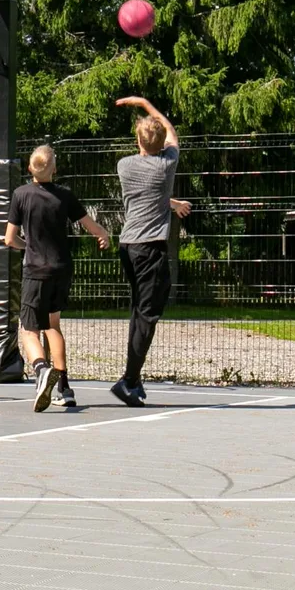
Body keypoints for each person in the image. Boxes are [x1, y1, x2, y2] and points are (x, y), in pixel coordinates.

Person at [5, 145, 111, 411]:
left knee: (29, 330)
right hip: (62, 269)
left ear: (30, 168)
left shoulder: (20, 195)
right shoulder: (65, 195)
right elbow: (90, 224)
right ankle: (64, 387)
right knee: (53, 325)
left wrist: (25, 245)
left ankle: (41, 370)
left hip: (36, 271)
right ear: (55, 169)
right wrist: (104, 235)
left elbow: (9, 238)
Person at [111, 97, 192, 407]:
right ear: (161, 144)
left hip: (128, 245)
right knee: (148, 314)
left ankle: (135, 375)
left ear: (138, 142)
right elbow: (172, 131)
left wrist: (171, 203)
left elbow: (151, 196)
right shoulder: (166, 164)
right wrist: (145, 104)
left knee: (138, 311)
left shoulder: (124, 165)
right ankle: (128, 380)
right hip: (150, 248)